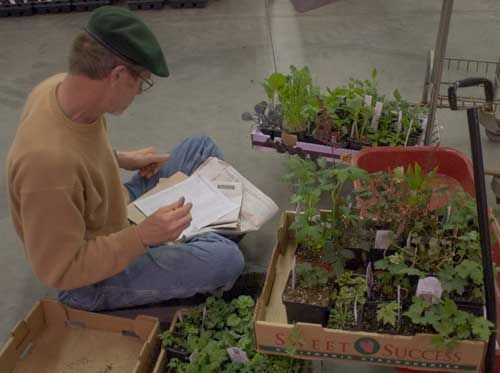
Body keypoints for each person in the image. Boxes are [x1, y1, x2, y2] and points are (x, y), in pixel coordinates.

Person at [6, 6, 245, 311]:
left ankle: (190, 237)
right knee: (226, 260)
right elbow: (61, 270)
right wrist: (143, 237)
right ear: (117, 76)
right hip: (89, 278)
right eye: (141, 82)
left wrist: (117, 158)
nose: (139, 93)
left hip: (115, 211)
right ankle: (193, 240)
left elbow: (75, 152)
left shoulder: (56, 89)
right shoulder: (47, 167)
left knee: (200, 147)